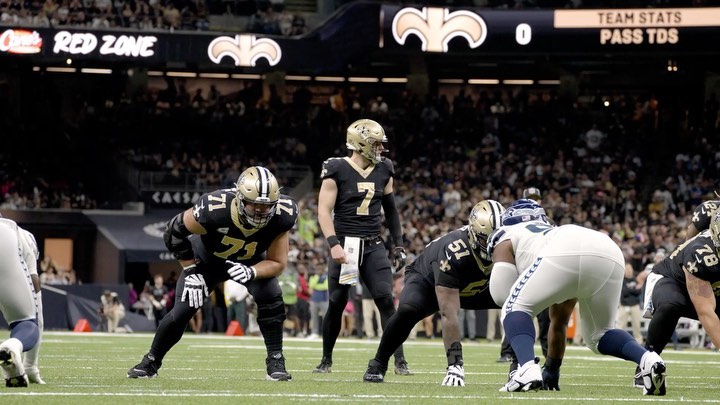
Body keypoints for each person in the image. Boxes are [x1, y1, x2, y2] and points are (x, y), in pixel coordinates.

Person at [127, 166, 298, 381]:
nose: (259, 211)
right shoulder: (214, 208)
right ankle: (151, 361)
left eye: (265, 206)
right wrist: (191, 270)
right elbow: (173, 232)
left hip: (249, 261)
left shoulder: (283, 214)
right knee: (183, 310)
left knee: (271, 295)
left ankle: (276, 359)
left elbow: (277, 262)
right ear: (239, 198)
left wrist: (252, 271)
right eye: (253, 204)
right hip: (206, 261)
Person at [488, 199, 666, 395]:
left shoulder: (508, 232)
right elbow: (560, 321)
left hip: (563, 250)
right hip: (609, 249)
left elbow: (501, 296)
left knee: (513, 307)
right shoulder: (547, 233)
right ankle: (648, 359)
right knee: (599, 334)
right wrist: (552, 369)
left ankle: (527, 369)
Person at [363, 200, 505, 385]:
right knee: (408, 310)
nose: (493, 246)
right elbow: (448, 313)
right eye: (487, 240)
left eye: (498, 240)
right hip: (428, 281)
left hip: (475, 286)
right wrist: (455, 364)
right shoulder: (454, 251)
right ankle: (378, 363)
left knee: (521, 301)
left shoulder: (511, 243)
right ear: (473, 233)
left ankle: (527, 364)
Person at [313, 118, 410, 375]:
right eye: (376, 144)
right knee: (337, 301)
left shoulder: (384, 168)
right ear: (361, 143)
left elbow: (391, 211)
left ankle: (399, 360)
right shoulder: (336, 168)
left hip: (373, 244)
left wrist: (399, 245)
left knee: (386, 300)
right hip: (346, 246)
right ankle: (326, 359)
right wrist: (333, 243)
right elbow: (323, 210)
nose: (381, 149)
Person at [634, 209, 720, 388]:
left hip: (710, 284)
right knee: (671, 305)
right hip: (672, 279)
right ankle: (647, 362)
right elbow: (706, 311)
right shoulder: (702, 253)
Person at [0, 216, 45, 387]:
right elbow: (34, 282)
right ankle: (12, 347)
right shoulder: (23, 235)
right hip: (3, 235)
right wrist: (31, 365)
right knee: (26, 324)